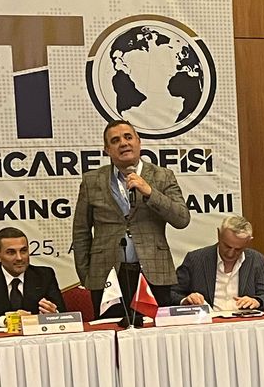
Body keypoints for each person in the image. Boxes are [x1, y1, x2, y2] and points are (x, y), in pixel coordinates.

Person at [70, 119, 189, 314]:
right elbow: (81, 231)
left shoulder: (163, 176)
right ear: (107, 150)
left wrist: (150, 192)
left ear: (138, 141)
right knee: (109, 330)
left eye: (128, 137)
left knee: (155, 331)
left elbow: (182, 219)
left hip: (154, 273)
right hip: (106, 276)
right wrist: (87, 276)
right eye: (115, 140)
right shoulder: (92, 180)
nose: (123, 143)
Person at [178, 215, 264, 313]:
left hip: (243, 320)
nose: (230, 254)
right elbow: (173, 294)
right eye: (227, 246)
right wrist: (186, 300)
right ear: (219, 235)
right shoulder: (195, 259)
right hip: (208, 319)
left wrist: (256, 301)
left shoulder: (257, 260)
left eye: (238, 249)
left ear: (248, 242)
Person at [0, 227, 64, 322]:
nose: (19, 258)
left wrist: (54, 314)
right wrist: (9, 320)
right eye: (11, 252)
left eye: (23, 251)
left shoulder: (44, 275)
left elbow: (62, 312)